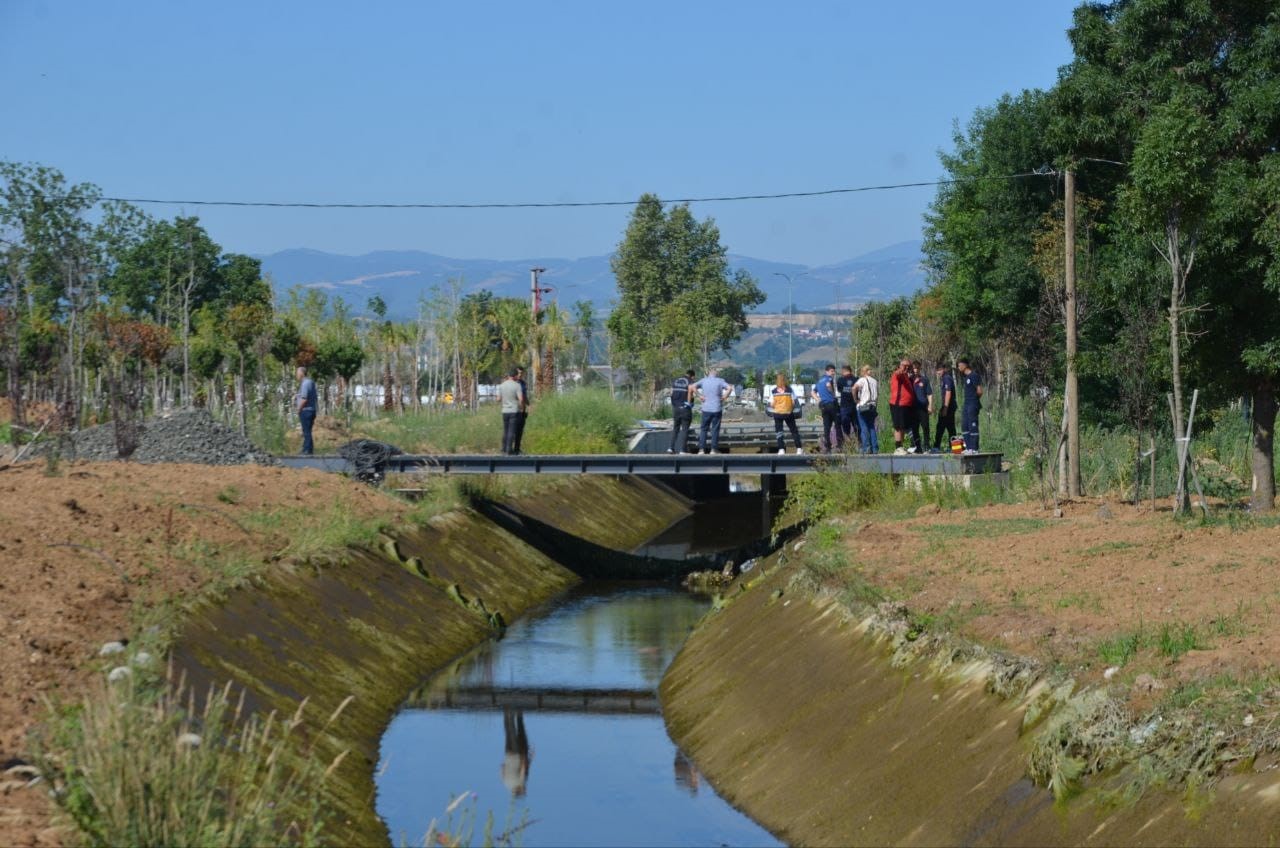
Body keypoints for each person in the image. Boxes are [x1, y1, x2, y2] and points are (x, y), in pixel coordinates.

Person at [692, 368, 731, 454]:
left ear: (708, 373)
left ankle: (701, 449)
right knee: (715, 429)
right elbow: (729, 388)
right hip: (717, 408)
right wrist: (724, 396)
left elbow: (692, 386)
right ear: (716, 373)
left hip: (706, 409)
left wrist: (699, 396)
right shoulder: (720, 381)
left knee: (703, 429)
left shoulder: (703, 380)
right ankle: (713, 449)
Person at [888, 358, 919, 455]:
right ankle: (898, 447)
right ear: (900, 365)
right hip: (898, 404)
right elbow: (898, 374)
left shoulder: (906, 376)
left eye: (908, 366)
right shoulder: (899, 374)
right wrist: (901, 370)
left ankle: (901, 446)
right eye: (904, 365)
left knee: (903, 427)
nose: (907, 368)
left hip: (905, 405)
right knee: (898, 426)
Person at [811, 363, 843, 453]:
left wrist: (818, 400)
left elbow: (812, 392)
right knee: (837, 425)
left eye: (834, 371)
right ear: (827, 371)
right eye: (832, 371)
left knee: (827, 427)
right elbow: (829, 385)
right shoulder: (829, 379)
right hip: (832, 404)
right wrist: (832, 394)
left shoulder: (819, 381)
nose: (833, 373)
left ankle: (827, 446)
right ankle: (840, 446)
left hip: (823, 406)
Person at [768, 372, 803, 454]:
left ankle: (781, 449)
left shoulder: (774, 391)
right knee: (794, 431)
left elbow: (772, 404)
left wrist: (777, 405)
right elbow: (794, 402)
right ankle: (799, 449)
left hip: (778, 414)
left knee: (779, 431)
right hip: (788, 413)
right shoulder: (790, 390)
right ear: (785, 380)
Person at [957, 357, 983, 452]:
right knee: (964, 425)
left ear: (965, 365)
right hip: (966, 404)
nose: (958, 367)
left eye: (959, 365)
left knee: (973, 426)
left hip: (973, 404)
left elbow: (980, 391)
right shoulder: (965, 377)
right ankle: (968, 448)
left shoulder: (974, 375)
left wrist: (974, 401)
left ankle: (975, 448)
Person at [668, 369, 695, 454]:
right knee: (685, 429)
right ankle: (683, 450)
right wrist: (690, 403)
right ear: (692, 376)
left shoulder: (676, 380)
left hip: (676, 408)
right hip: (685, 408)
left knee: (675, 428)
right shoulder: (690, 381)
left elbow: (671, 393)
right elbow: (690, 394)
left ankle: (671, 448)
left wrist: (674, 404)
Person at [498, 368, 525, 455]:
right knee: (511, 431)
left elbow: (498, 399)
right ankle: (509, 449)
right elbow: (521, 399)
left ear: (509, 375)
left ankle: (504, 448)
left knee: (506, 430)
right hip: (514, 411)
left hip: (504, 411)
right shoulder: (517, 385)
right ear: (515, 376)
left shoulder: (502, 385)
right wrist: (521, 407)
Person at [854, 365, 879, 453]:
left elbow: (854, 388)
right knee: (872, 427)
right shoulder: (875, 381)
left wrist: (856, 400)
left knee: (864, 427)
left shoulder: (862, 380)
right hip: (873, 406)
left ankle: (866, 447)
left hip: (863, 406)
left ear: (863, 372)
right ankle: (875, 448)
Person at [934, 363, 958, 451]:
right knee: (950, 428)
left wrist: (945, 408)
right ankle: (954, 448)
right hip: (948, 407)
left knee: (940, 427)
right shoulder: (944, 379)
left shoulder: (947, 378)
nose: (938, 372)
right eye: (937, 370)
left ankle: (936, 447)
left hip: (949, 407)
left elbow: (948, 392)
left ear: (944, 369)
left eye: (940, 370)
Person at [295, 366, 318, 455]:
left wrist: (299, 409)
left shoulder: (305, 383)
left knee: (306, 431)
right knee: (307, 431)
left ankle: (307, 450)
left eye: (297, 373)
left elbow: (304, 399)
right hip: (311, 410)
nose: (296, 375)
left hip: (306, 410)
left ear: (301, 373)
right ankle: (308, 449)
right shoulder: (310, 382)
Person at [911, 360, 933, 452]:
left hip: (923, 408)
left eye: (917, 368)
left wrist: (930, 406)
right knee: (914, 428)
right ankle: (917, 447)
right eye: (914, 368)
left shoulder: (924, 380)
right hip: (912, 408)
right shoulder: (909, 379)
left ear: (920, 369)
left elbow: (929, 394)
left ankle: (927, 446)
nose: (915, 370)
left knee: (925, 427)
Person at [837, 364, 860, 445]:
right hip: (855, 405)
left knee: (845, 424)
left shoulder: (840, 380)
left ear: (843, 371)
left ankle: (848, 440)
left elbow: (839, 390)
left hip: (844, 406)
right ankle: (859, 443)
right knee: (856, 425)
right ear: (850, 370)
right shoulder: (857, 379)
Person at [513, 366, 530, 454]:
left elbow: (525, 396)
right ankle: (508, 449)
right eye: (518, 373)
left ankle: (517, 449)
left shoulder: (523, 383)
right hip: (514, 410)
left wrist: (529, 405)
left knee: (520, 431)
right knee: (513, 430)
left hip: (522, 410)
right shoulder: (513, 383)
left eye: (521, 373)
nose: (520, 375)